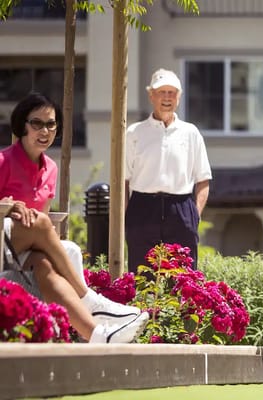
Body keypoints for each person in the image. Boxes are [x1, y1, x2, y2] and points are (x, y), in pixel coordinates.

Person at [0, 92, 149, 343]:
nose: (44, 130)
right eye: (36, 123)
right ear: (22, 126)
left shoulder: (51, 168)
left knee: (44, 266)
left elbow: (42, 223)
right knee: (42, 222)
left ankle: (97, 335)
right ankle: (90, 299)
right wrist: (6, 206)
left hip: (21, 250)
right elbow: (40, 222)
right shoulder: (3, 160)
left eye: (51, 123)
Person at [125, 68, 212, 273]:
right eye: (161, 92)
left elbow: (203, 179)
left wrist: (194, 216)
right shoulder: (134, 133)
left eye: (172, 93)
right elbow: (123, 180)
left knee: (183, 277)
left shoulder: (191, 133)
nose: (167, 98)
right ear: (151, 95)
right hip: (142, 208)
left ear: (179, 97)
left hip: (181, 208)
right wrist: (127, 216)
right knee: (141, 274)